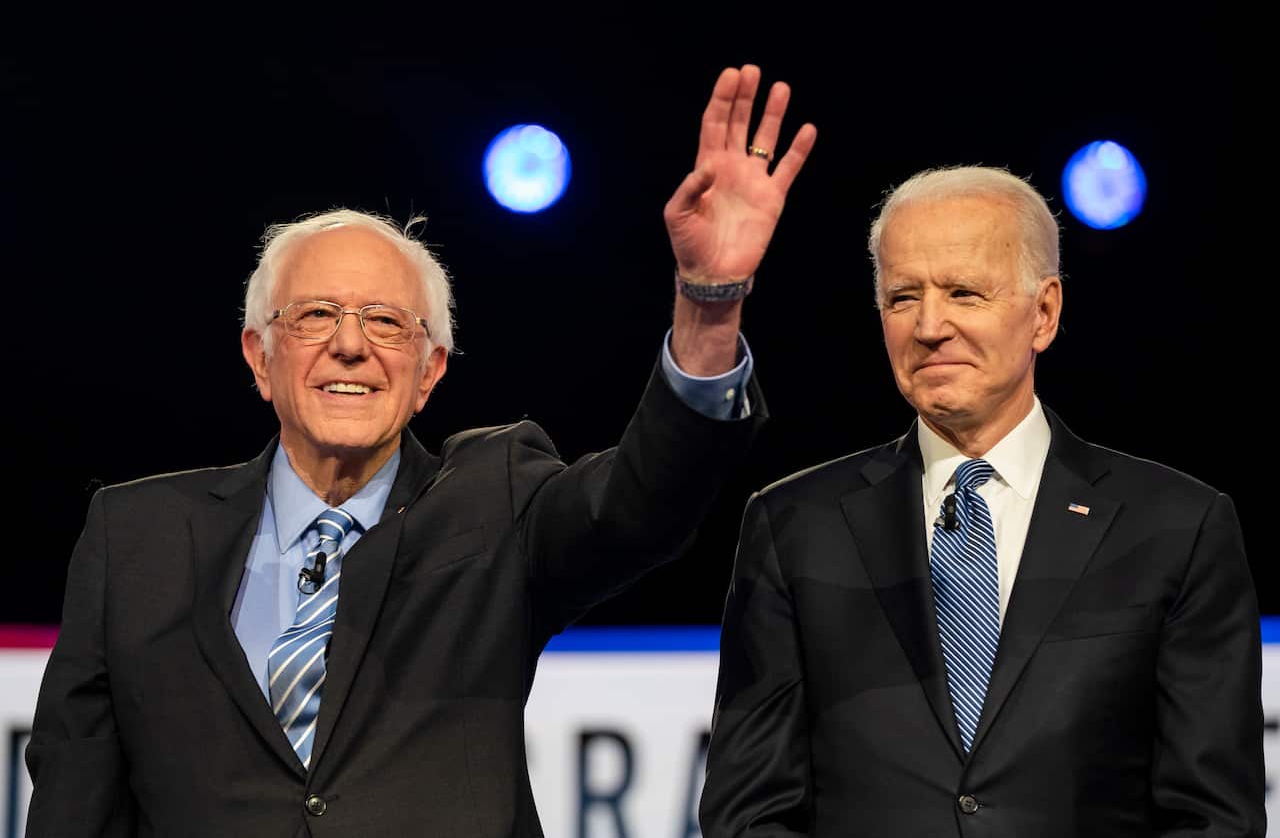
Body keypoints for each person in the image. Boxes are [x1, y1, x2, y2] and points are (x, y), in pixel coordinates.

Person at [25, 64, 816, 837]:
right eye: (315, 316)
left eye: (385, 322)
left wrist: (708, 305)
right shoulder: (135, 538)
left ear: (430, 371)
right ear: (258, 357)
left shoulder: (494, 502)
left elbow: (641, 503)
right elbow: (75, 805)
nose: (348, 345)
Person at [700, 166, 1265, 837]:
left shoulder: (1179, 527)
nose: (930, 325)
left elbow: (1213, 817)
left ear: (1045, 312)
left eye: (964, 292)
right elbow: (749, 813)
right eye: (903, 296)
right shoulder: (793, 526)